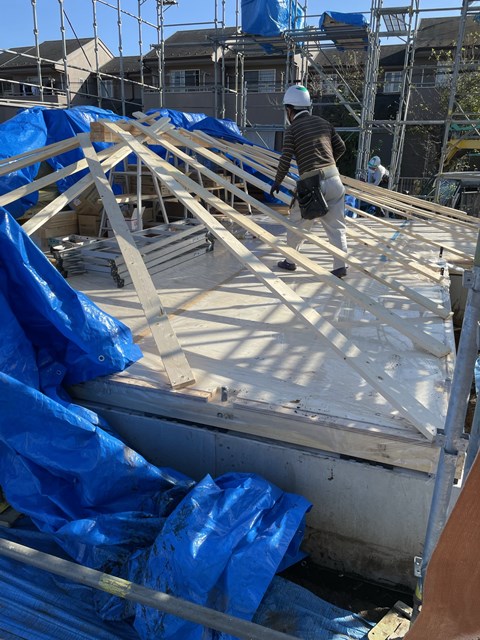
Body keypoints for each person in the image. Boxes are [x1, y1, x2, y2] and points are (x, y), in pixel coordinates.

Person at [270, 85, 348, 278]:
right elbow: (341, 147)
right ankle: (340, 266)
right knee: (337, 227)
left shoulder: (292, 129)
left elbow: (285, 159)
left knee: (297, 222)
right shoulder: (324, 123)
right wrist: (328, 165)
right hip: (335, 180)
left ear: (289, 110)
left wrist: (277, 182)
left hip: (313, 185)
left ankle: (290, 261)